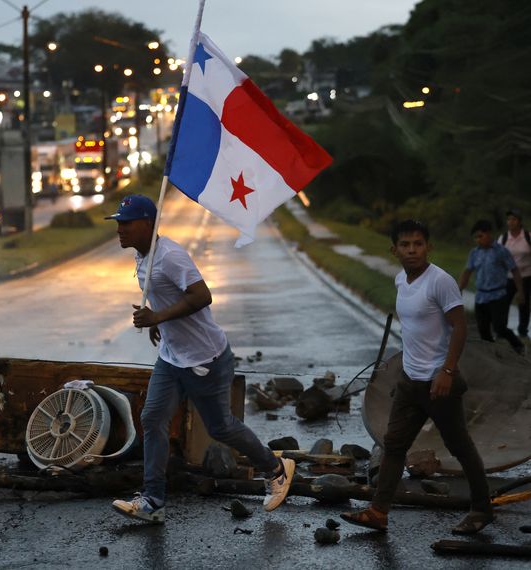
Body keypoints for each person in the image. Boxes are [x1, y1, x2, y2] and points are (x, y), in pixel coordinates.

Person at [105, 194, 295, 524]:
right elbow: (164, 299)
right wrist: (159, 322)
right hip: (172, 357)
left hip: (204, 358)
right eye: (118, 223)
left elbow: (202, 296)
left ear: (148, 224)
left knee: (221, 428)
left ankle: (275, 468)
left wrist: (159, 316)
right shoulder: (142, 256)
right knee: (152, 418)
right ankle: (153, 500)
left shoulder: (171, 257)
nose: (120, 229)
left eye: (126, 223)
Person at [341, 219, 493, 535]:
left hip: (439, 385)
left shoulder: (440, 281)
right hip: (410, 382)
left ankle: (481, 510)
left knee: (460, 446)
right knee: (394, 445)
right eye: (406, 245)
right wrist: (405, 373)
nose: (412, 250)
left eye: (418, 244)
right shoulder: (401, 280)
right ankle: (379, 512)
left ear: (428, 247)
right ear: (394, 249)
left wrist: (447, 371)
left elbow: (460, 327)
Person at [458, 219, 525, 354]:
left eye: (480, 236)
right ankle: (491, 352)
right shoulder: (474, 253)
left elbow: (515, 270)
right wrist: (458, 290)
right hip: (481, 296)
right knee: (483, 329)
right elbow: (467, 272)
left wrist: (520, 292)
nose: (478, 240)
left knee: (500, 327)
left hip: (498, 295)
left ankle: (518, 345)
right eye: (475, 237)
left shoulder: (501, 251)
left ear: (489, 234)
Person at [500, 209, 531, 341]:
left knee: (523, 303)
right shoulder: (504, 238)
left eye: (514, 219)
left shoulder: (528, 237)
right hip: (508, 277)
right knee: (503, 303)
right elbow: (498, 257)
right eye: (509, 220)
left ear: (519, 221)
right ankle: (502, 331)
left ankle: (522, 332)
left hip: (526, 276)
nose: (510, 222)